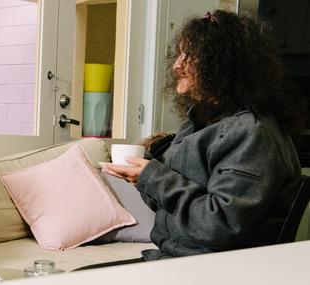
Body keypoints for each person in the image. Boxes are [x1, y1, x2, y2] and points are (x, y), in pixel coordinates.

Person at [103, 10, 306, 261]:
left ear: (222, 64)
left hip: (212, 272)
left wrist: (154, 177)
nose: (177, 64)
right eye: (179, 53)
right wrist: (143, 179)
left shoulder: (252, 134)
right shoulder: (201, 122)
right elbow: (178, 212)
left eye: (189, 55)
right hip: (174, 259)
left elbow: (218, 225)